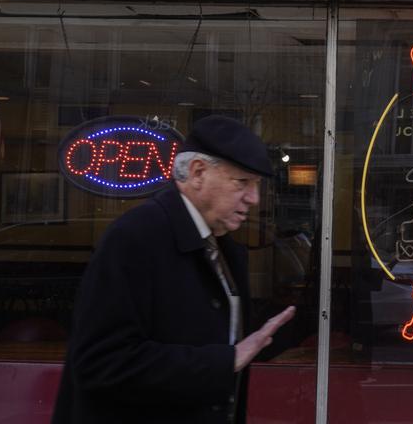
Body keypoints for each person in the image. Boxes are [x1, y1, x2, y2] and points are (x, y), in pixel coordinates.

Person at [52, 115, 295, 424]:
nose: (254, 198)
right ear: (197, 173)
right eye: (242, 182)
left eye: (257, 185)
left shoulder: (224, 249)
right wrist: (226, 360)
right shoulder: (136, 237)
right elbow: (101, 363)